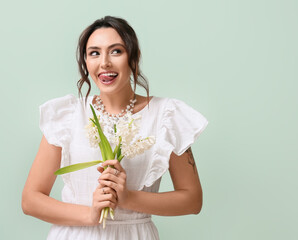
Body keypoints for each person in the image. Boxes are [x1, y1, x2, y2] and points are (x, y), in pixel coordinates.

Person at [22, 16, 208, 240]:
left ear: (135, 57)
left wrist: (128, 198)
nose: (104, 63)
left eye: (116, 51)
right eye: (94, 53)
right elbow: (30, 199)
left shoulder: (166, 115)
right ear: (86, 62)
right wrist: (90, 214)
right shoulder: (68, 114)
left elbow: (192, 200)